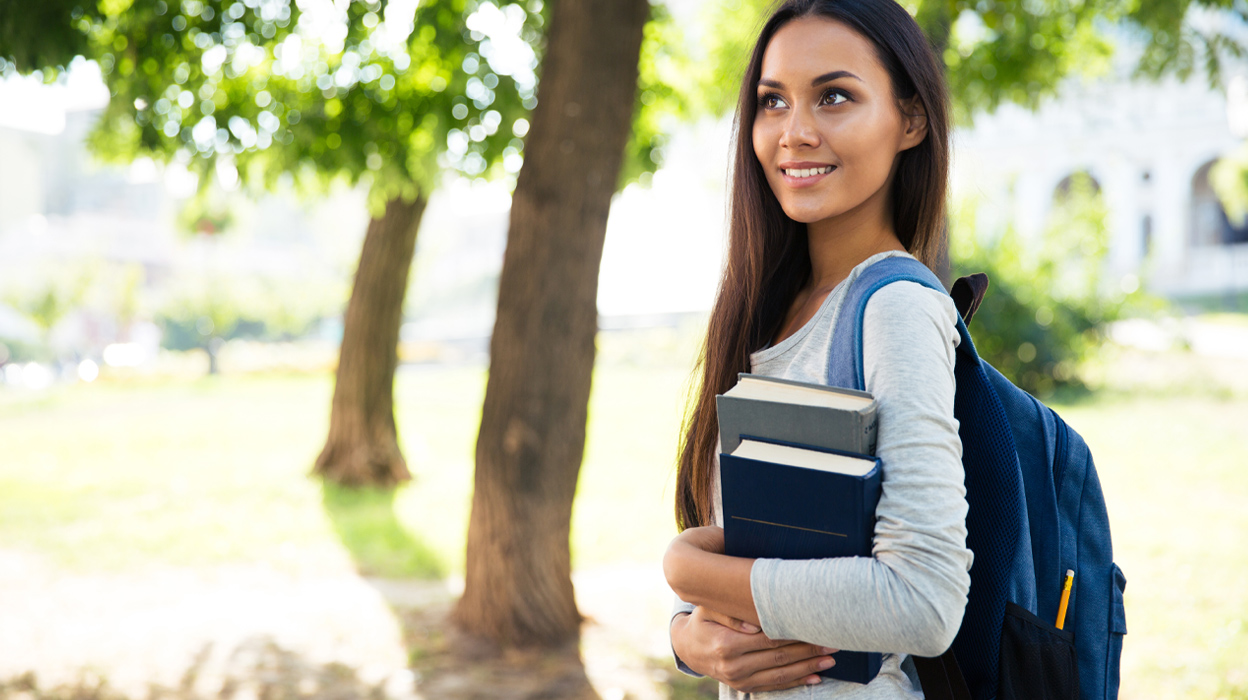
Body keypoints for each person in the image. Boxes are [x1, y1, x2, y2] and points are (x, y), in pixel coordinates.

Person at [661, 0, 974, 697]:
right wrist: (689, 635)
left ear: (911, 120)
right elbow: (750, 550)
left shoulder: (893, 308)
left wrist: (689, 570)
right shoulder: (766, 310)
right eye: (772, 102)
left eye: (834, 96)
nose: (794, 133)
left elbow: (925, 601)